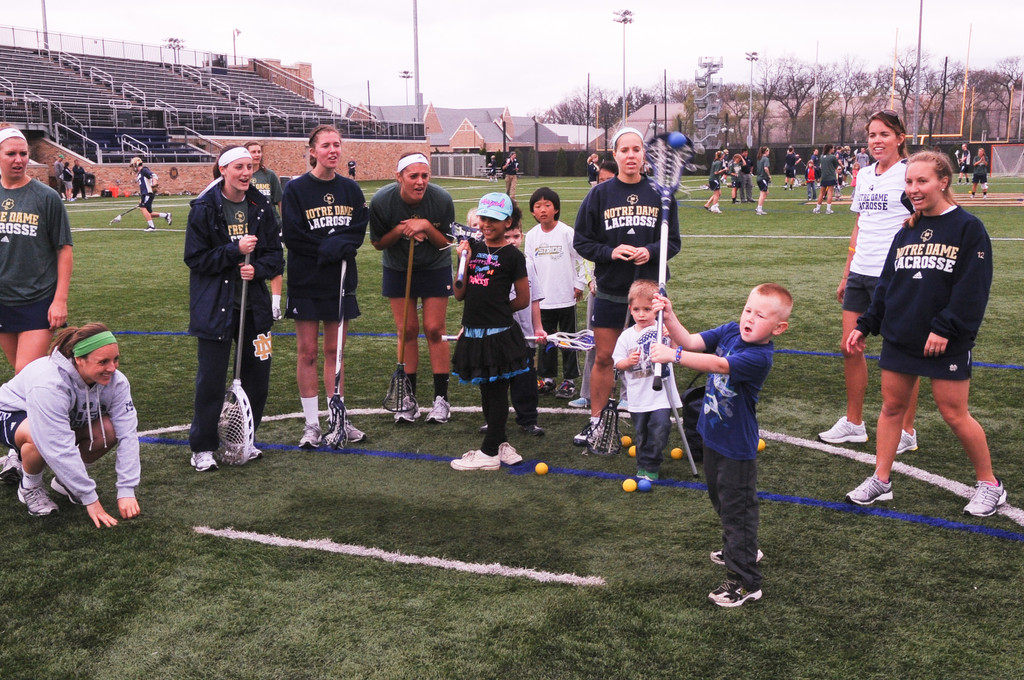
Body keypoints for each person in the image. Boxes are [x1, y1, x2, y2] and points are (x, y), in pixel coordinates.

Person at [843, 150, 1005, 518]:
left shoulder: (968, 228)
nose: (914, 189)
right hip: (901, 333)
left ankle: (991, 485)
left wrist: (945, 328)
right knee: (891, 408)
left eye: (922, 181)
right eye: (909, 182)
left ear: (943, 181)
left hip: (945, 340)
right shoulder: (908, 228)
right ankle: (881, 480)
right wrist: (866, 324)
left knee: (954, 413)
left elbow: (972, 289)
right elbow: (888, 282)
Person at [650, 283, 793, 607]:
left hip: (736, 449)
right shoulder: (730, 332)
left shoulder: (759, 356)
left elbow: (717, 365)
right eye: (748, 310)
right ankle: (742, 547)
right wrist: (670, 317)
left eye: (760, 315)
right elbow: (691, 341)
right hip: (712, 437)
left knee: (737, 511)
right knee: (722, 501)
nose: (749, 318)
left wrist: (673, 356)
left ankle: (746, 581)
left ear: (779, 328)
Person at [572, 127, 680, 448]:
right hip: (610, 289)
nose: (631, 155)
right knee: (605, 357)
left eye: (636, 149)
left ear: (643, 155)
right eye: (624, 150)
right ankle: (597, 423)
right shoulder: (599, 195)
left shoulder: (660, 193)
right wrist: (610, 252)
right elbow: (582, 240)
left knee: (650, 359)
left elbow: (672, 242)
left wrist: (652, 250)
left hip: (649, 294)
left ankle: (648, 422)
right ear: (615, 154)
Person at [820, 109, 920, 452]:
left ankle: (906, 430)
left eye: (884, 134)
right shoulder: (863, 175)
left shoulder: (911, 173)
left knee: (902, 353)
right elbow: (860, 224)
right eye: (872, 135)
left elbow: (922, 221)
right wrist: (847, 272)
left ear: (900, 138)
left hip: (895, 276)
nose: (877, 141)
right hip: (861, 272)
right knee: (851, 347)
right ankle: (854, 423)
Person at [184, 145, 284, 471]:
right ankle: (203, 448)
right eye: (238, 167)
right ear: (223, 169)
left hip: (255, 309)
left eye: (249, 167)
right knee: (211, 380)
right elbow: (195, 258)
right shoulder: (204, 207)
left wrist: (259, 270)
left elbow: (274, 256)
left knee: (259, 376)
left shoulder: (261, 206)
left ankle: (245, 439)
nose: (245, 173)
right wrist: (233, 251)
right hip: (215, 308)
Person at [0, 323, 140, 526]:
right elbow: (57, 445)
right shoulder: (49, 383)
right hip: (12, 413)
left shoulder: (117, 382)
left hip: (61, 420)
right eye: (103, 362)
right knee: (36, 437)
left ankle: (65, 483)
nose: (112, 368)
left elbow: (128, 434)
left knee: (110, 430)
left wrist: (127, 489)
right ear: (79, 360)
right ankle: (30, 487)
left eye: (115, 359)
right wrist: (90, 499)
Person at [281, 126, 368, 448]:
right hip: (307, 279)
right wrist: (329, 247)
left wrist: (340, 244)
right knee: (307, 352)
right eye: (326, 145)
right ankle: (311, 424)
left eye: (337, 145)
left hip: (341, 280)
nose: (333, 150)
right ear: (312, 151)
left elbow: (357, 231)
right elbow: (293, 234)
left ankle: (338, 418)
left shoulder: (351, 189)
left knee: (336, 352)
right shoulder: (295, 189)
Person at [0, 127, 74, 484]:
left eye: (23, 153)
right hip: (2, 303)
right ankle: (22, 451)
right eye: (11, 153)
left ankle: (28, 462)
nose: (18, 159)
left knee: (25, 378)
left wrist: (59, 299)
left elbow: (64, 249)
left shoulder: (46, 197)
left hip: (36, 302)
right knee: (19, 383)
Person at [369, 152, 456, 424]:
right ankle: (409, 400)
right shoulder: (382, 201)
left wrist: (426, 226)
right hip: (398, 267)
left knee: (434, 329)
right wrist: (402, 230)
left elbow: (446, 243)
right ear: (399, 177)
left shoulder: (441, 199)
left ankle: (441, 399)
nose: (420, 182)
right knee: (406, 329)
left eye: (425, 176)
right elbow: (378, 243)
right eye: (413, 176)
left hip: (434, 265)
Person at [449, 192, 531, 470]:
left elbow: (523, 298)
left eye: (494, 220)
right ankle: (501, 443)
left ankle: (488, 452)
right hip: (473, 331)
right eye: (483, 218)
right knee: (487, 389)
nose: (487, 224)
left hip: (499, 334)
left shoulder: (512, 256)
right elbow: (459, 294)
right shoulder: (470, 248)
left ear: (508, 222)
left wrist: (498, 308)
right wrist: (463, 260)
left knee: (497, 391)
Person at [612, 280, 681, 481]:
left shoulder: (663, 330)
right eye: (637, 309)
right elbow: (617, 363)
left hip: (661, 395)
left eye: (647, 309)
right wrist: (627, 362)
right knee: (641, 433)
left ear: (656, 309)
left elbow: (678, 352)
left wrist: (672, 335)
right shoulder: (626, 336)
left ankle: (651, 464)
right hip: (638, 397)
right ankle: (642, 463)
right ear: (630, 309)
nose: (641, 314)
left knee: (660, 428)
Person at [526, 187, 585, 399]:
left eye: (547, 205)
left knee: (568, 340)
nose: (543, 210)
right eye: (538, 206)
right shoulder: (531, 236)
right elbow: (529, 267)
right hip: (543, 301)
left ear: (556, 209)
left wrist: (580, 284)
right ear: (533, 212)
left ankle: (569, 380)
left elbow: (581, 259)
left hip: (565, 297)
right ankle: (548, 378)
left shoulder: (567, 233)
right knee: (547, 341)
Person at [570, 159, 618, 411]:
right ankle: (588, 393)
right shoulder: (593, 206)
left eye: (609, 181)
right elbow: (585, 250)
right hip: (598, 287)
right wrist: (589, 279)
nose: (604, 186)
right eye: (601, 181)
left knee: (632, 341)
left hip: (625, 289)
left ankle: (631, 394)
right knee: (593, 341)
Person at [497, 208, 545, 436]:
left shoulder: (527, 263)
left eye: (516, 236)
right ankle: (495, 418)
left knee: (525, 377)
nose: (512, 241)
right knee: (497, 377)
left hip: (524, 332)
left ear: (522, 236)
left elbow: (534, 298)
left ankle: (528, 419)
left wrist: (537, 327)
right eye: (507, 237)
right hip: (497, 332)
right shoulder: (491, 262)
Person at [245, 141, 285, 321]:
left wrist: (283, 223)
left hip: (271, 226)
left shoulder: (269, 176)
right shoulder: (243, 175)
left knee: (276, 264)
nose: (256, 154)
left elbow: (279, 201)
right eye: (253, 151)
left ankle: (275, 306)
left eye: (259, 151)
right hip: (250, 228)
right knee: (253, 265)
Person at [129, 157, 172, 232]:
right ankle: (166, 215)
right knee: (149, 213)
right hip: (144, 194)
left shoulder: (144, 170)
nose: (133, 168)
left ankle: (152, 227)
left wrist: (154, 184)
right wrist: (142, 198)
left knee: (143, 208)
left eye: (133, 165)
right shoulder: (140, 173)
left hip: (148, 193)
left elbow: (154, 176)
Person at [813, 144, 839, 214]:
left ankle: (818, 209)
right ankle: (828, 209)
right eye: (833, 148)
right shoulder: (832, 157)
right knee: (830, 192)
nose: (834, 149)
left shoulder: (821, 156)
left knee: (821, 193)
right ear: (830, 149)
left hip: (824, 177)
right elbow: (837, 167)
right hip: (831, 177)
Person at [755, 146, 771, 216]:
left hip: (759, 178)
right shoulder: (765, 159)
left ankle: (759, 207)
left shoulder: (759, 158)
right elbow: (765, 168)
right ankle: (759, 209)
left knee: (766, 192)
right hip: (762, 178)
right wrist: (769, 175)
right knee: (763, 193)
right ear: (766, 151)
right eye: (768, 151)